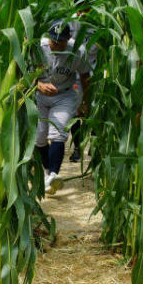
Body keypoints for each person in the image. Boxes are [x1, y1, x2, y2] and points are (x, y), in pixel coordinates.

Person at [35, 20, 90, 194]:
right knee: (39, 137)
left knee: (58, 132)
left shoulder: (78, 51)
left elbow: (85, 77)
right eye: (54, 41)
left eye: (61, 42)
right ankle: (47, 173)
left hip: (64, 95)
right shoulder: (38, 48)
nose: (57, 46)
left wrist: (85, 101)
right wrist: (38, 85)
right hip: (40, 95)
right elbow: (22, 73)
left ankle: (53, 174)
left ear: (70, 38)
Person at [68, 0, 97, 162]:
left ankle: (93, 146)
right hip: (75, 74)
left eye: (86, 5)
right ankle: (77, 148)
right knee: (75, 112)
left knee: (92, 110)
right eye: (80, 6)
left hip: (93, 72)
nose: (83, 10)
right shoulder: (70, 22)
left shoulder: (97, 23)